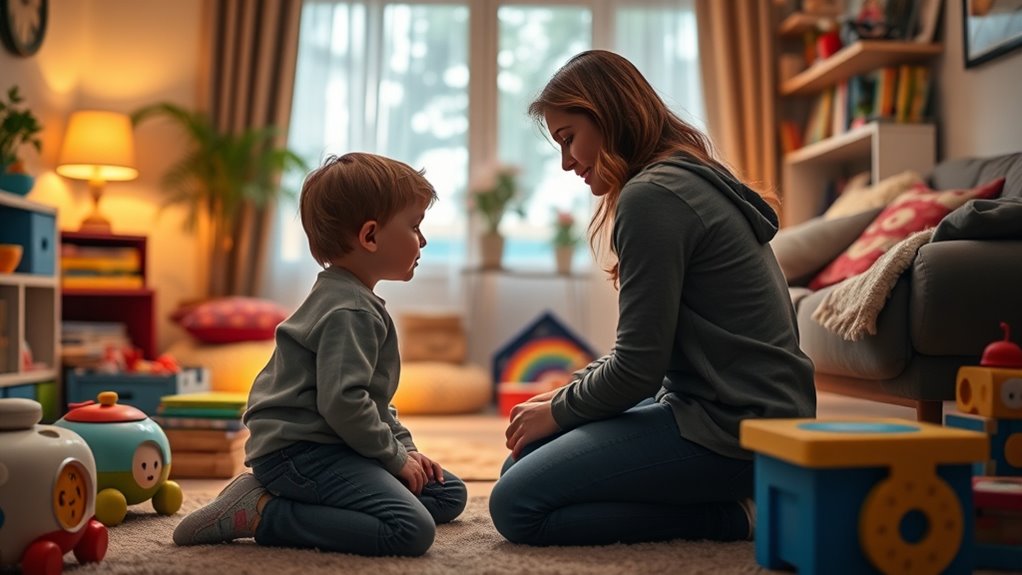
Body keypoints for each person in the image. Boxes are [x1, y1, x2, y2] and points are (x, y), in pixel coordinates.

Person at [489, 50, 816, 546]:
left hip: (738, 432)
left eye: (568, 139)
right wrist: (562, 400)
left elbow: (636, 370)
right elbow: (648, 361)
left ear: (606, 115)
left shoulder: (654, 196)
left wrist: (558, 409)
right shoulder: (680, 177)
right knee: (525, 460)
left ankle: (735, 516)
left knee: (516, 505)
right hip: (724, 414)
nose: (565, 163)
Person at [173, 152, 467, 556]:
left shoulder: (354, 298)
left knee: (447, 494)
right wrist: (393, 457)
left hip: (334, 443)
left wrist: (405, 449)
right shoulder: (349, 311)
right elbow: (344, 403)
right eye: (415, 227)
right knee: (409, 530)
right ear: (370, 236)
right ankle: (262, 512)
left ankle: (304, 499)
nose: (423, 240)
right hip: (301, 453)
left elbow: (372, 402)